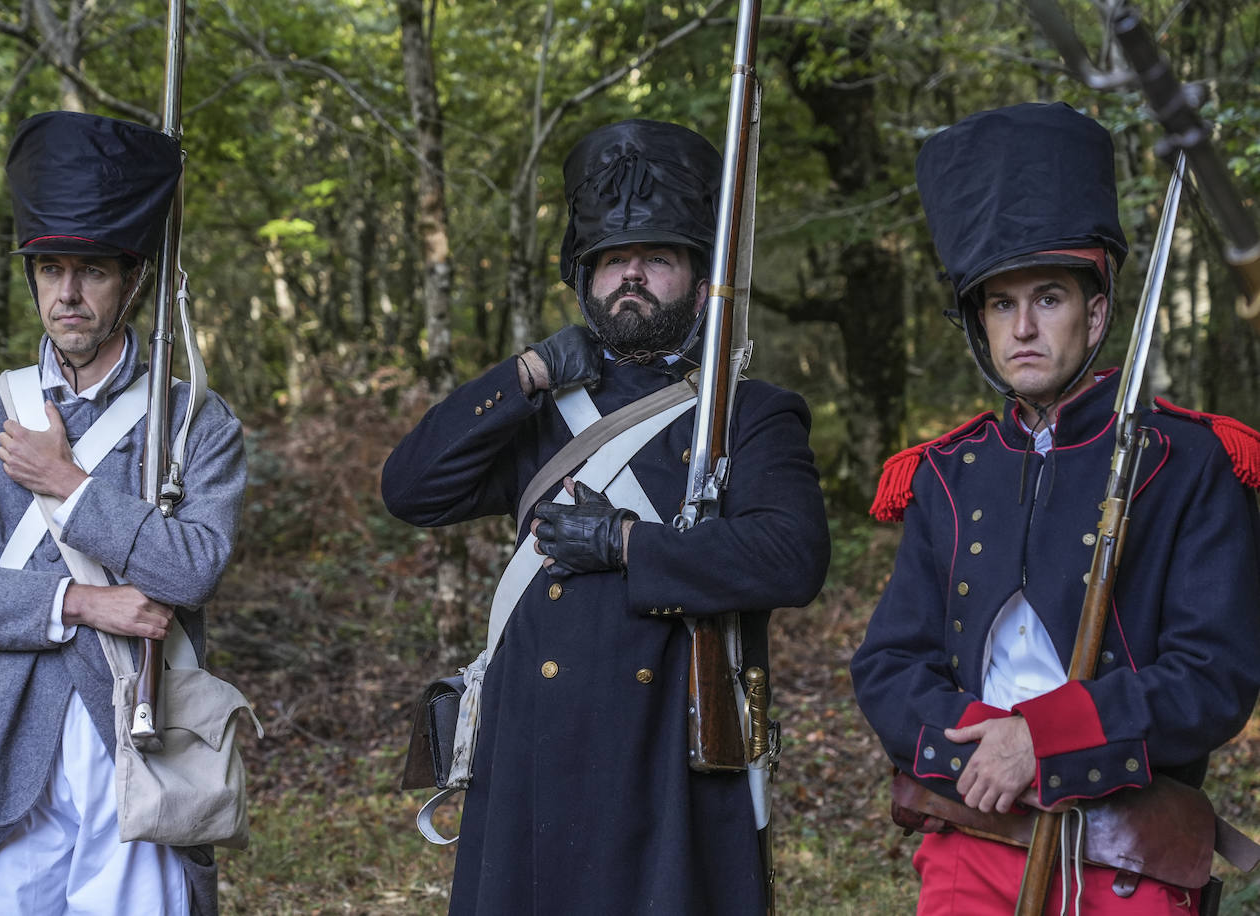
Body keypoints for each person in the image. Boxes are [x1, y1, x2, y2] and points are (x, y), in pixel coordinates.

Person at [382, 118, 830, 914]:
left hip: (663, 756)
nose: (632, 276)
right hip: (529, 747)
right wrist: (522, 374)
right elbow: (413, 491)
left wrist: (629, 544)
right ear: (583, 277)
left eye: (656, 258)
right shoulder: (543, 407)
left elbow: (792, 555)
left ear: (699, 280)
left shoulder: (746, 412)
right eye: (613, 261)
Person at [851, 101, 1260, 914]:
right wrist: (983, 745)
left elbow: (1214, 678)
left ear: (1097, 311)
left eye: (1048, 298)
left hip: (1128, 854)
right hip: (972, 832)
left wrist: (1042, 739)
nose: (1024, 328)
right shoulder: (946, 471)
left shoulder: (1188, 459)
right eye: (1000, 305)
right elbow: (889, 666)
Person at [0, 110, 246, 916]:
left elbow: (194, 566)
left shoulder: (194, 421)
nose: (68, 294)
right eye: (51, 270)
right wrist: (79, 601)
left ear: (131, 280)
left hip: (145, 758)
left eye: (90, 271)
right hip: (4, 754)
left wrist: (69, 484)